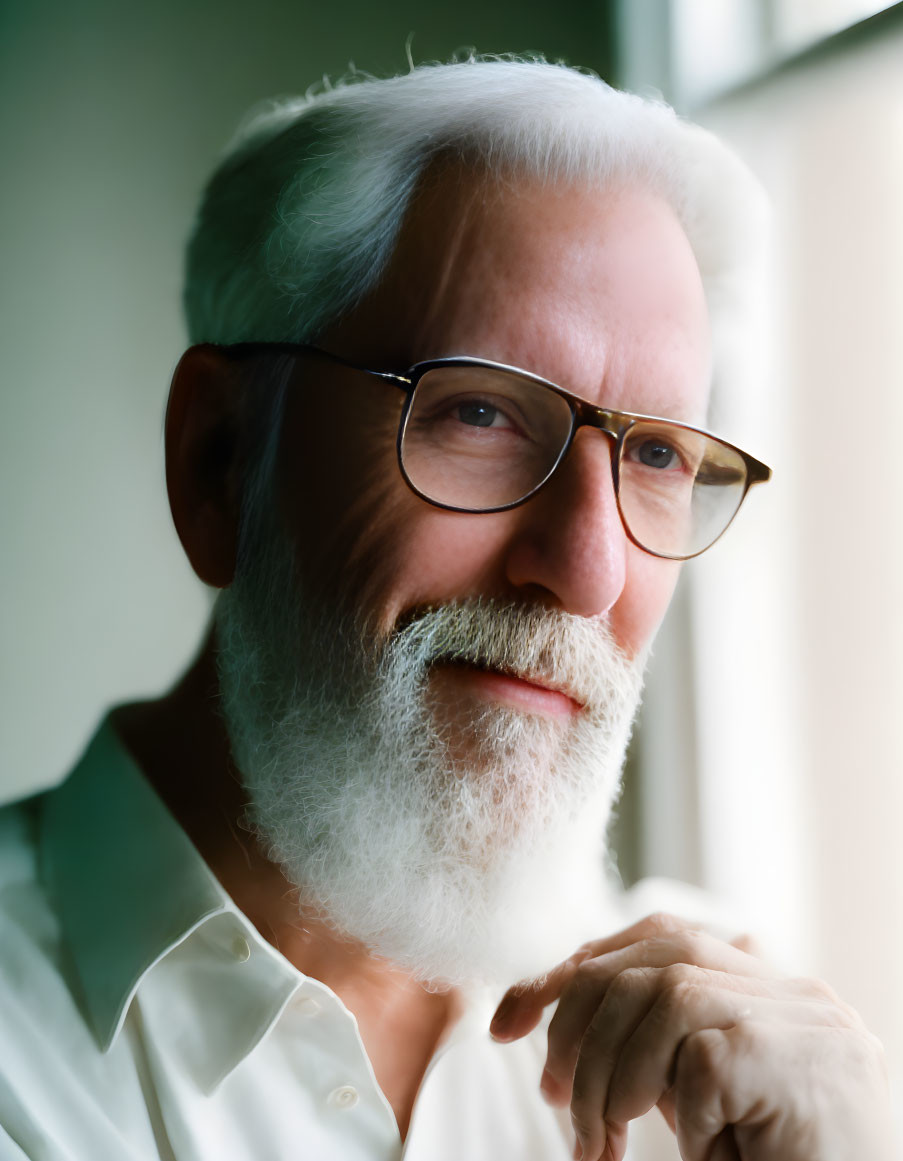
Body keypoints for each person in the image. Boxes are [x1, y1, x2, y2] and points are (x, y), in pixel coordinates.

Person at [0, 57, 893, 1161]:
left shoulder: (731, 1079)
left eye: (657, 453)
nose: (590, 571)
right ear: (220, 463)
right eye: (478, 412)